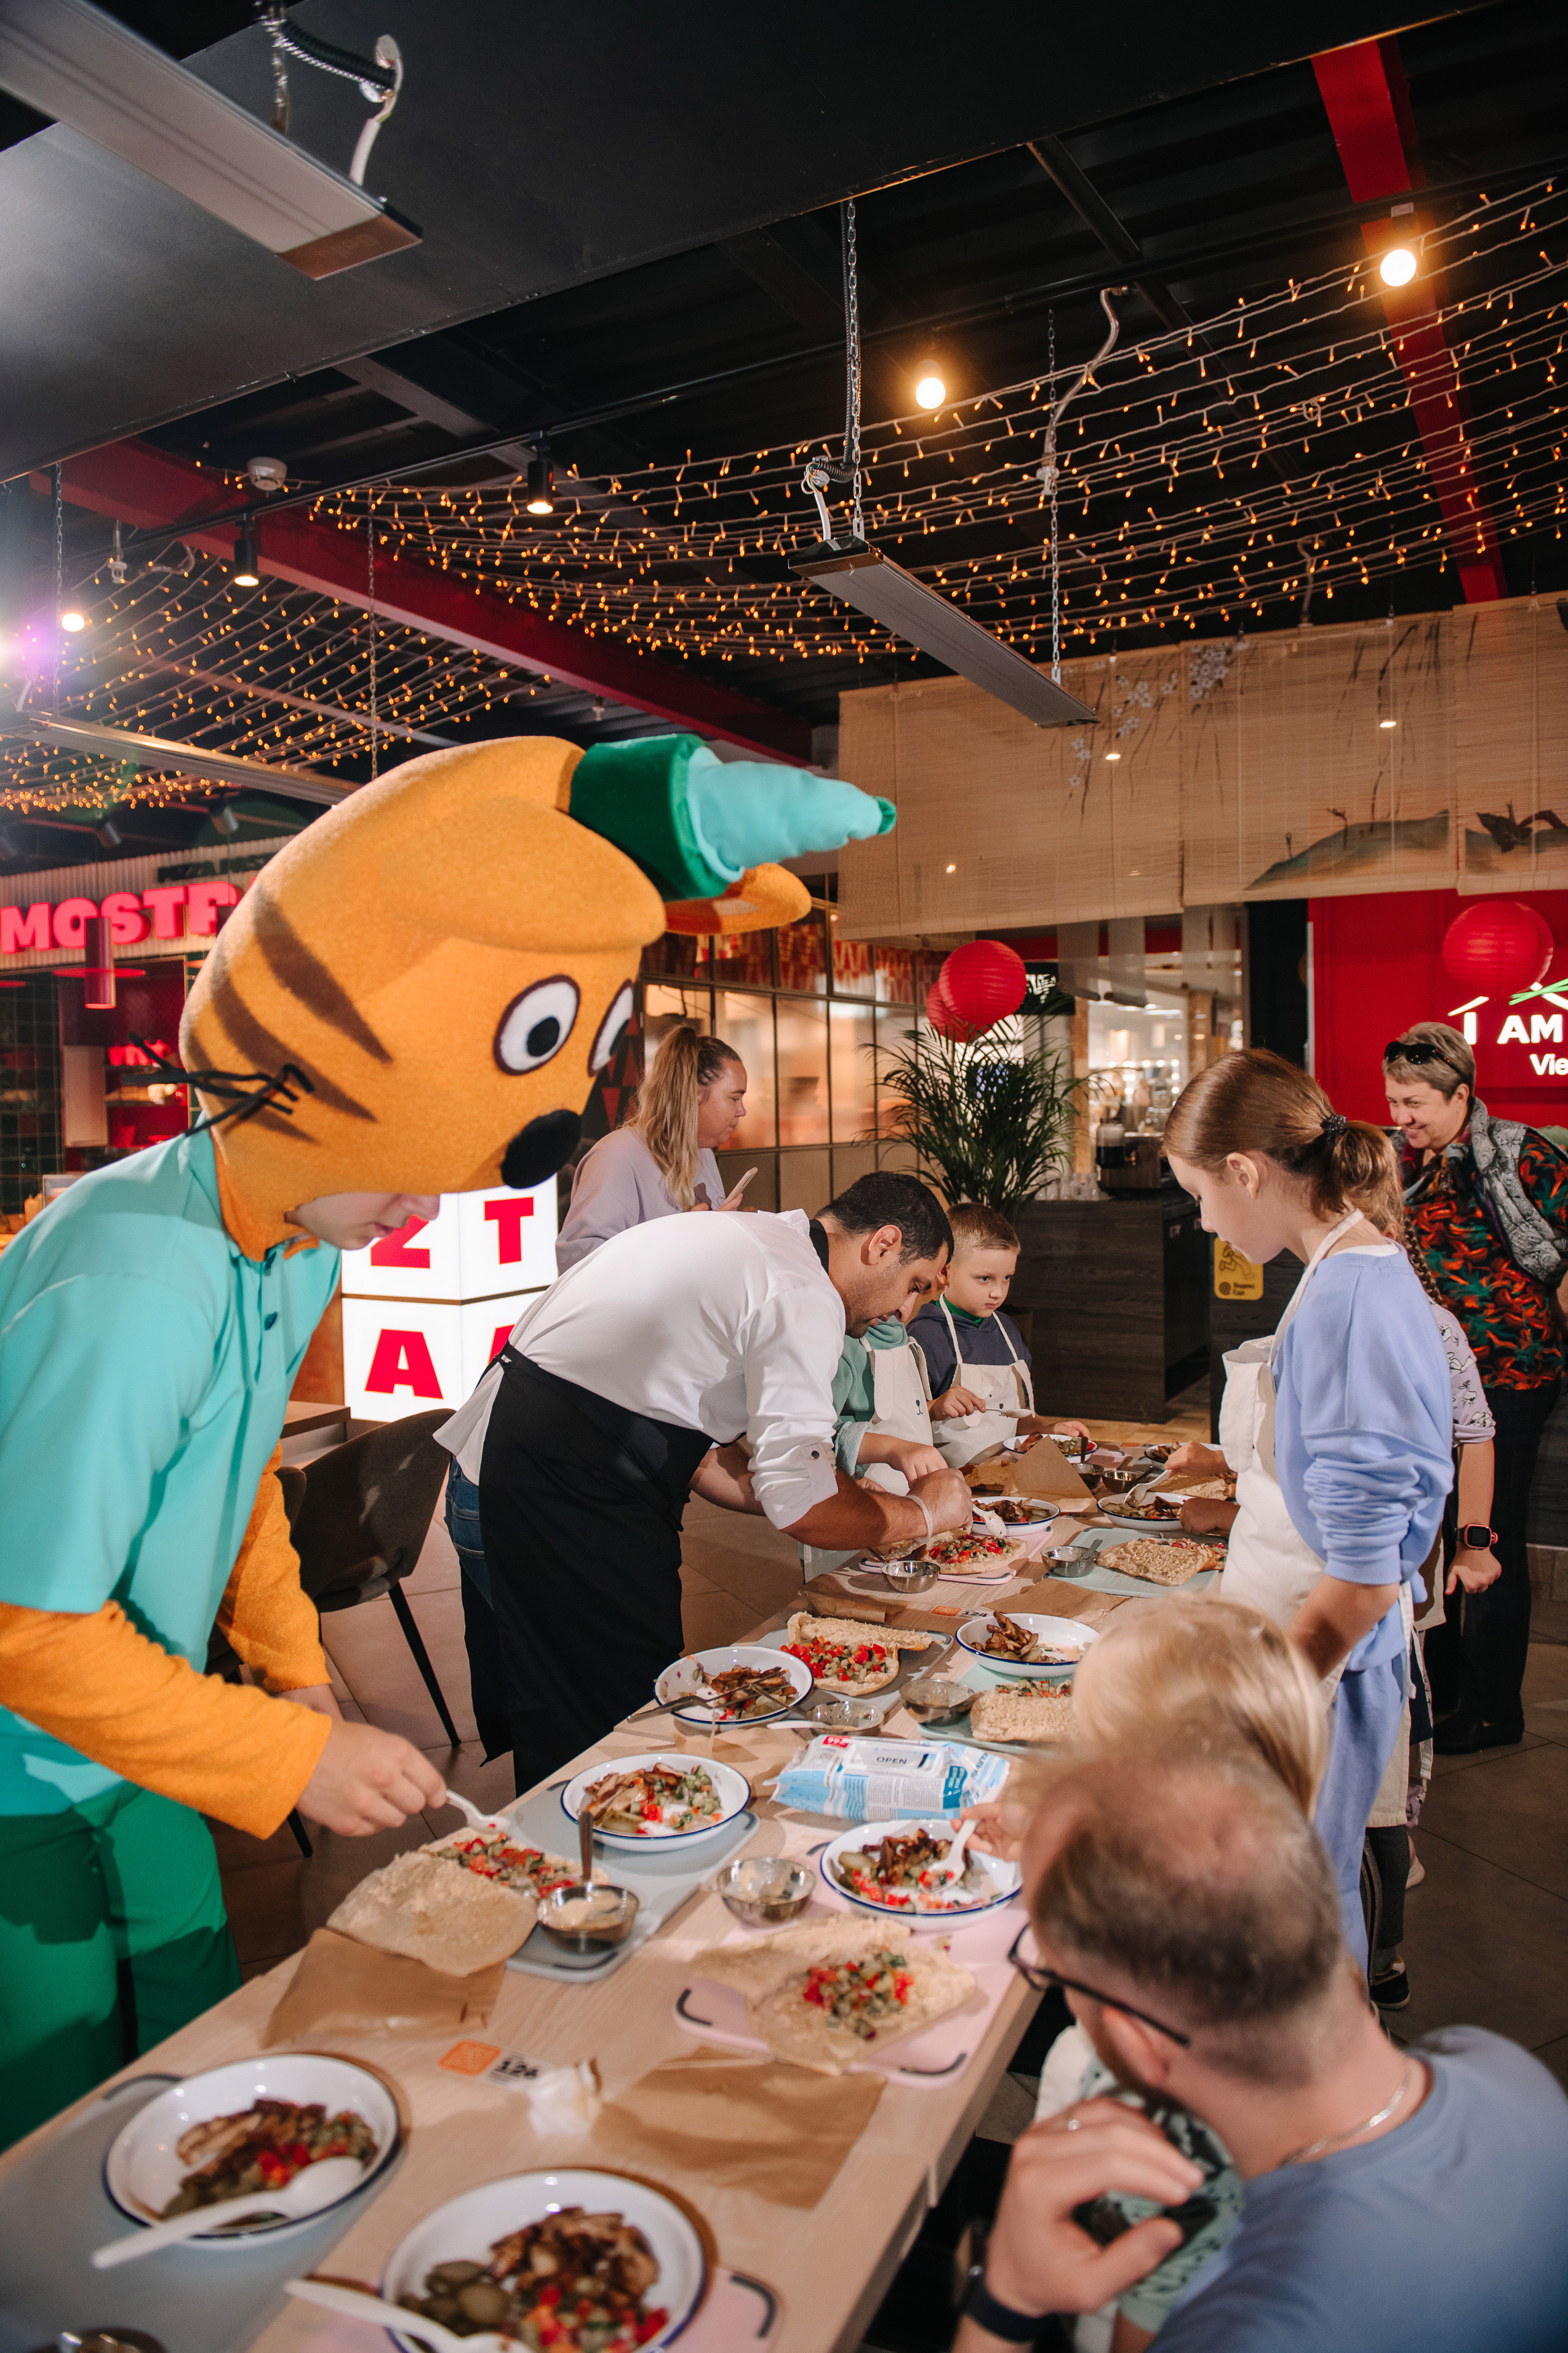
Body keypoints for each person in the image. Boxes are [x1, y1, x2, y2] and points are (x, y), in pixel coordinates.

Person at [0, 727, 893, 2148]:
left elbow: (228, 1497)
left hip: (143, 1740)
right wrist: (290, 1757)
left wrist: (298, 1685)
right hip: (23, 1778)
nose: (427, 1209)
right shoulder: (135, 1284)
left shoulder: (287, 1235)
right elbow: (31, 1632)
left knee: (182, 2047)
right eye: (413, 1168)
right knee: (52, 2108)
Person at [954, 1750, 1568, 2353]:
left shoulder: (1237, 2324)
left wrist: (1005, 2301)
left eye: (1052, 1974)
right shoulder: (1498, 2066)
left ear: (1139, 2046)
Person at [438, 1171, 971, 1790]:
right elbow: (802, 1505)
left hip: (514, 1464)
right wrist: (925, 1515)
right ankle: (598, 1863)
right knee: (607, 1726)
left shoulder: (760, 1241)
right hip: (553, 1485)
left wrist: (837, 1495)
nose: (903, 1313)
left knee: (579, 1700)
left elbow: (702, 1457)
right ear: (881, 1243)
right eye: (911, 1286)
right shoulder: (802, 1291)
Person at [964, 1597, 1327, 2353]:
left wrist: (1000, 2302)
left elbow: (1147, 2320)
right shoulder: (1289, 1949)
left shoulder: (1151, 2098)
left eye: (1081, 1758)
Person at [1160, 1049, 1451, 1962]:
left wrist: (1264, 1709)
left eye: (1199, 1196)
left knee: (1300, 1921)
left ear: (1244, 1171)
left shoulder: (1352, 1300)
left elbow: (1362, 1578)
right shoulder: (1337, 1271)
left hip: (1316, 1666)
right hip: (1296, 1644)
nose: (1202, 1221)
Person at [1385, 1021, 1568, 1752]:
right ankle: (1446, 1691)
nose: (1400, 1115)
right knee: (1439, 1534)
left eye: (1414, 1101)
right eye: (1392, 1098)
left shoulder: (1520, 1153)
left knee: (1487, 1532)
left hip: (1515, 1371)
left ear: (1460, 1093)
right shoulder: (1401, 1162)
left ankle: (1493, 1710)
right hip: (1437, 1377)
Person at [554, 1021, 752, 1273]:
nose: (742, 1111)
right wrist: (678, 1239)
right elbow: (578, 1263)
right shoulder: (618, 1155)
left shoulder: (702, 1153)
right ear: (693, 1093)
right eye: (734, 1098)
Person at [910, 1203, 1089, 1468]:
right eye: (985, 1278)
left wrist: (1052, 1428)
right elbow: (901, 1426)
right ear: (945, 1272)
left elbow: (1020, 1421)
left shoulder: (1009, 1331)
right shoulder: (924, 1336)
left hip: (1004, 1479)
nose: (998, 1292)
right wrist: (936, 1406)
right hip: (948, 1482)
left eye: (1007, 1278)